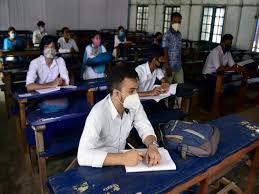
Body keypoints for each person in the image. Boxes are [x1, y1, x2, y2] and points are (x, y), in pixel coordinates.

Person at [77, 65, 161, 167]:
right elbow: (83, 156)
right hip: (100, 165)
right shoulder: (98, 113)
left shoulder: (133, 104)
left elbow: (144, 126)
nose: (136, 95)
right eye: (131, 91)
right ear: (117, 93)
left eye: (136, 90)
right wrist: (122, 158)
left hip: (122, 161)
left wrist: (152, 145)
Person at [162, 12, 183, 108]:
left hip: (178, 66)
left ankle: (177, 107)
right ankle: (165, 108)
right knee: (167, 88)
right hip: (169, 66)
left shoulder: (179, 35)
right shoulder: (167, 35)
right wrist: (167, 66)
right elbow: (165, 51)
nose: (177, 24)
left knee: (180, 87)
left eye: (179, 22)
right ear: (171, 21)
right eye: (175, 21)